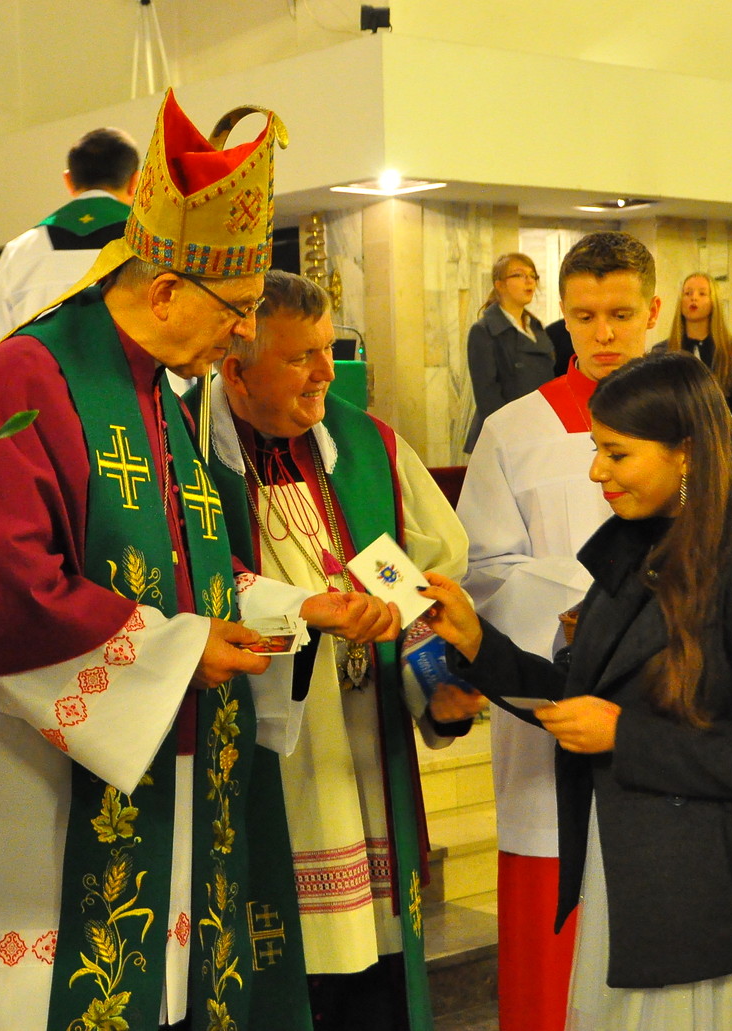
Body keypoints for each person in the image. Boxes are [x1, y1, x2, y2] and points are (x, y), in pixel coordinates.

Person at [0, 91, 399, 1031]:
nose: (244, 333)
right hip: (29, 821)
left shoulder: (158, 393)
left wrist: (291, 611)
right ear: (163, 294)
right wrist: (181, 651)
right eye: (237, 310)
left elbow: (187, 573)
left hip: (140, 793)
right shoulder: (28, 378)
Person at [424, 352, 732, 1031]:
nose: (596, 472)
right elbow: (580, 693)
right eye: (596, 449)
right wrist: (478, 644)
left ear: (687, 452)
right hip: (638, 871)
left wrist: (625, 736)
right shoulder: (639, 549)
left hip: (723, 893)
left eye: (616, 454)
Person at [203, 269, 470, 1031]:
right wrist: (301, 610)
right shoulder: (186, 450)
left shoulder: (366, 445)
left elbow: (420, 578)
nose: (327, 372)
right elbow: (186, 589)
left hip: (363, 754)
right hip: (271, 756)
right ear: (236, 370)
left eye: (329, 348)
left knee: (375, 981)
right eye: (300, 358)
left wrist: (439, 682)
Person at [453, 230, 660, 1031]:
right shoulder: (515, 429)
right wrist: (596, 614)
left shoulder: (704, 421)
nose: (603, 333)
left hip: (663, 713)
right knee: (555, 950)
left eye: (620, 314)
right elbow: (484, 571)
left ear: (651, 310)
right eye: (584, 316)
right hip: (555, 706)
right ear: (561, 317)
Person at [0, 126, 139, 361]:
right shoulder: (153, 245)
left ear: (68, 180)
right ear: (135, 182)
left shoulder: (20, 251)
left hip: (40, 384)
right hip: (134, 384)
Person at [464, 252, 554, 452]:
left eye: (533, 276)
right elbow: (487, 395)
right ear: (500, 284)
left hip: (539, 431)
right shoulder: (484, 331)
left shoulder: (535, 327)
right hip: (505, 438)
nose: (529, 281)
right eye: (519, 275)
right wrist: (513, 435)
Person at [654, 271, 732, 422]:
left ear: (714, 301)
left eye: (702, 294)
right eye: (688, 293)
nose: (694, 298)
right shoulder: (662, 351)